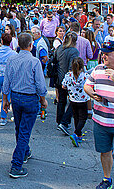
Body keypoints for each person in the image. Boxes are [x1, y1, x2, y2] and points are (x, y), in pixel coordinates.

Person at [2, 32, 48, 179]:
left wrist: (5, 99)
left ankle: (25, 151)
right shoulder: (34, 62)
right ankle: (16, 165)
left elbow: (6, 81)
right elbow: (40, 84)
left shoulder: (11, 59)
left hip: (16, 97)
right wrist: (43, 99)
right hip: (29, 99)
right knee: (24, 131)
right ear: (30, 45)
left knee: (20, 127)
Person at [84, 41, 114, 189]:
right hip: (101, 121)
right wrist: (92, 93)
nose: (104, 56)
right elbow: (87, 85)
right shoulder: (98, 69)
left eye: (108, 54)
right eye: (103, 53)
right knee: (105, 152)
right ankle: (107, 179)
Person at [53, 31, 79, 136]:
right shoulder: (74, 51)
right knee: (74, 101)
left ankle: (60, 121)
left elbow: (54, 60)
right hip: (68, 79)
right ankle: (65, 122)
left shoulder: (59, 48)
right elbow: (72, 67)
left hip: (59, 78)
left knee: (61, 101)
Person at [62, 57, 89, 147]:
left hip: (73, 99)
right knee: (83, 118)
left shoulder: (68, 75)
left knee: (76, 117)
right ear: (82, 67)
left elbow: (63, 86)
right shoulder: (85, 76)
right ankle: (76, 133)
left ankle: (78, 135)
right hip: (83, 100)